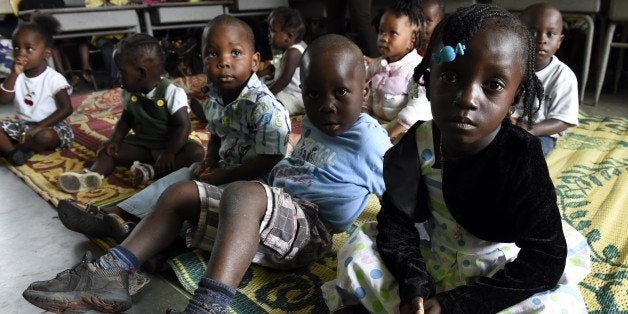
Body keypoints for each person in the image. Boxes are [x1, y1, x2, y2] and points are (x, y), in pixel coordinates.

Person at [22, 33, 391, 313]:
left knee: (244, 191)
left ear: (366, 88)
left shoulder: (370, 139)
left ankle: (208, 305)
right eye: (312, 94)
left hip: (309, 232)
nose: (325, 105)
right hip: (269, 214)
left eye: (341, 92)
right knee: (184, 191)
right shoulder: (315, 123)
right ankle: (111, 272)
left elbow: (399, 191)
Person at [322, 4, 591, 313]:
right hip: (434, 256)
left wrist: (457, 304)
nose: (466, 97)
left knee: (558, 306)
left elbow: (545, 261)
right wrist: (414, 286)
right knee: (355, 251)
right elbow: (396, 222)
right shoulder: (420, 142)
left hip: (496, 274)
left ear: (514, 97)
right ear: (428, 78)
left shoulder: (520, 156)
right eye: (450, 76)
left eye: (493, 85)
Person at [56, 15, 291, 242]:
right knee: (175, 180)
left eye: (235, 53)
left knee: (191, 199)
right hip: (224, 169)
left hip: (254, 185)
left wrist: (226, 175)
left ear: (255, 61)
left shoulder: (265, 107)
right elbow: (218, 134)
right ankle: (116, 214)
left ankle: (150, 237)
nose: (224, 61)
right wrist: (210, 159)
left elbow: (270, 160)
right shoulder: (216, 98)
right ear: (202, 60)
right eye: (212, 53)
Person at [57, 33, 205, 193]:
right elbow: (126, 120)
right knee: (108, 150)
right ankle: (92, 176)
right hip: (143, 143)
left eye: (121, 72)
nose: (118, 77)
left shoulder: (171, 92)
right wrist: (115, 139)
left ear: (141, 73)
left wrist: (170, 152)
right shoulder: (129, 92)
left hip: (170, 144)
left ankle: (151, 170)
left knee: (195, 153)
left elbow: (182, 125)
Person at [0, 14, 74, 167]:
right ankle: (14, 153)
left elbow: (67, 109)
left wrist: (38, 128)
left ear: (46, 53)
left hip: (51, 125)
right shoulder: (16, 75)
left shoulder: (54, 78)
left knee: (45, 137)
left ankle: (16, 149)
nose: (21, 53)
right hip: (24, 125)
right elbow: (4, 100)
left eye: (29, 49)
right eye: (16, 47)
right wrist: (13, 74)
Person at [511, 3, 579, 157]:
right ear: (518, 36)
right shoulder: (508, 66)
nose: (541, 40)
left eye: (550, 34)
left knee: (529, 154)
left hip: (541, 133)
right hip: (506, 126)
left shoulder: (563, 77)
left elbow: (564, 120)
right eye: (533, 33)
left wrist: (532, 129)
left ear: (560, 41)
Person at [365, 0, 431, 142]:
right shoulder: (377, 65)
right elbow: (366, 95)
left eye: (392, 33)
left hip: (400, 130)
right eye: (381, 31)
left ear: (411, 40)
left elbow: (416, 106)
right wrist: (364, 116)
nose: (383, 38)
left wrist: (388, 136)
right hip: (374, 126)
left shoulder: (415, 71)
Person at [260, 6, 307, 115]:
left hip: (297, 97)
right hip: (287, 91)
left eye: (272, 31)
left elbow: (284, 80)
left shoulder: (294, 52)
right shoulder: (285, 48)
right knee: (261, 84)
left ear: (289, 36)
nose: (268, 34)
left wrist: (264, 97)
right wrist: (259, 75)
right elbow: (276, 66)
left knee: (272, 106)